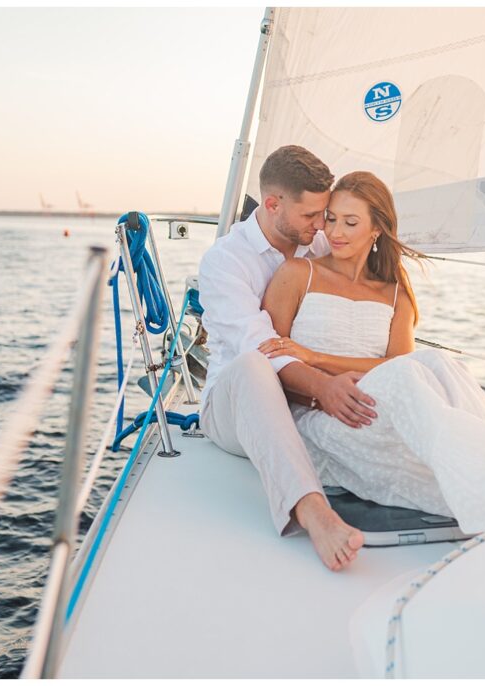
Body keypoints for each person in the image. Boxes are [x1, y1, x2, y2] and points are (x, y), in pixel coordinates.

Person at [258, 171, 485, 533]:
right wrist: (317, 377)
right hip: (323, 422)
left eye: (350, 222)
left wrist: (318, 357)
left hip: (381, 412)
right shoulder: (298, 273)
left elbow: (400, 367)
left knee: (438, 364)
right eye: (331, 219)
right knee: (418, 370)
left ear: (376, 229)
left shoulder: (394, 293)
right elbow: (272, 363)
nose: (335, 232)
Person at [197, 146, 372, 572]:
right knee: (254, 364)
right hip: (232, 406)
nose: (322, 227)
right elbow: (259, 346)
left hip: (303, 401)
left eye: (325, 214)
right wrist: (325, 388)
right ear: (273, 205)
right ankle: (313, 512)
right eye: (312, 216)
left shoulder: (320, 243)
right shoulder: (225, 262)